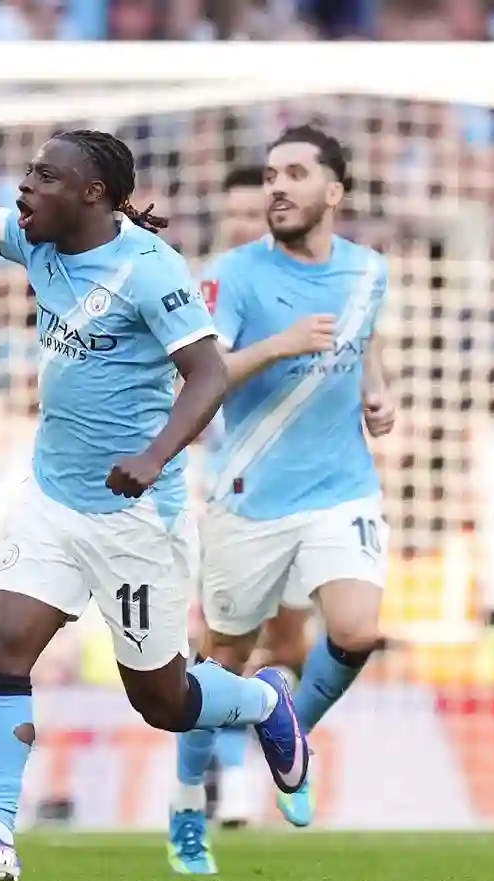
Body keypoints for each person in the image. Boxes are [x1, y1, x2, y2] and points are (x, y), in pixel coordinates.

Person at [0, 50, 307, 881]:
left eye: (44, 176)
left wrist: (153, 457)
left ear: (92, 194)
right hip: (52, 500)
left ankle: (262, 702)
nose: (23, 189)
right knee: (2, 648)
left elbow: (211, 374)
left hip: (135, 518)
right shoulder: (37, 243)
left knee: (160, 702)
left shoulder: (151, 272)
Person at [170, 127, 394, 875]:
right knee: (223, 658)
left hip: (342, 487)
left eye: (296, 173)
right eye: (271, 174)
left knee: (357, 629)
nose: (278, 186)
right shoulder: (231, 275)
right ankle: (185, 812)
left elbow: (360, 343)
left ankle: (287, 730)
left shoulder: (369, 271)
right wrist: (279, 344)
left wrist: (378, 391)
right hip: (249, 494)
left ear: (334, 192)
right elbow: (200, 378)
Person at [201, 163, 319, 831]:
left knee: (291, 646)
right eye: (234, 215)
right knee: (223, 646)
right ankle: (233, 783)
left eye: (255, 212)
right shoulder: (203, 292)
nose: (245, 224)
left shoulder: (307, 284)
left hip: (305, 494)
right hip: (227, 493)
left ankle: (288, 743)